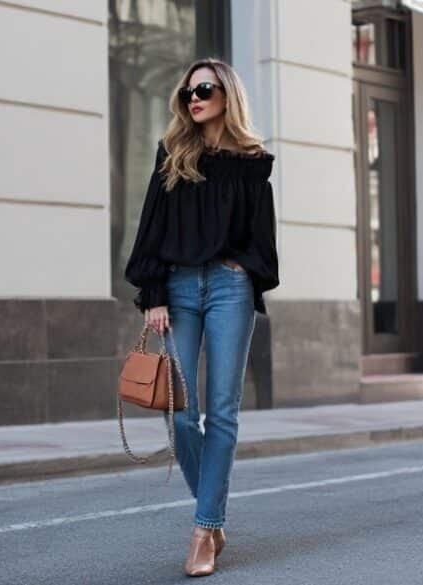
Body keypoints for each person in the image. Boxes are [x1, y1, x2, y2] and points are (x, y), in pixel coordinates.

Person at [123, 56, 280, 577]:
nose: (195, 98)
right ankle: (210, 518)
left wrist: (241, 266)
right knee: (182, 412)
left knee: (224, 411)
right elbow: (151, 227)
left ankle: (203, 529)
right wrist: (155, 292)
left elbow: (264, 242)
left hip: (229, 289)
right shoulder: (173, 154)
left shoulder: (253, 162)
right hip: (179, 288)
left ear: (226, 96)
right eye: (189, 91)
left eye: (206, 89)